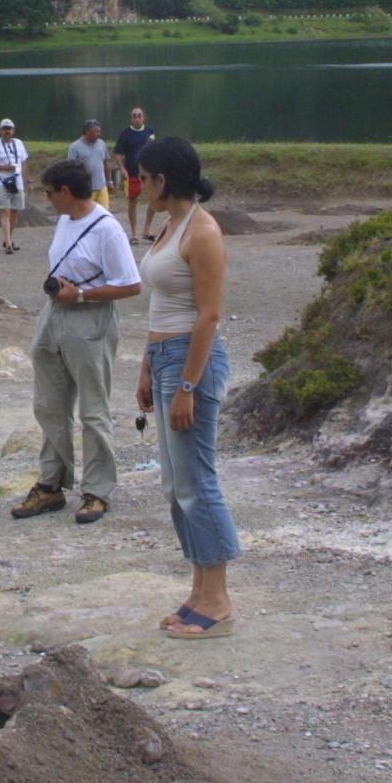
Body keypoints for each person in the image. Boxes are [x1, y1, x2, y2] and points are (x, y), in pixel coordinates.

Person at [133, 137, 238, 639]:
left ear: (163, 180)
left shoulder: (204, 232)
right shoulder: (171, 226)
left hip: (192, 363)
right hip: (167, 358)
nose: (137, 184)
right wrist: (147, 366)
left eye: (143, 176)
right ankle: (199, 589)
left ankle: (217, 601)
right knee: (177, 486)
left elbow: (209, 314)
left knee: (198, 482)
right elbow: (160, 306)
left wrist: (188, 386)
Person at [10, 159, 143, 525]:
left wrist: (81, 295)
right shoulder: (66, 220)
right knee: (50, 404)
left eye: (49, 192)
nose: (47, 199)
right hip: (54, 315)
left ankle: (98, 491)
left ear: (66, 192)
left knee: (92, 408)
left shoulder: (107, 229)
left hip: (90, 318)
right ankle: (51, 485)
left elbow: (131, 284)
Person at [0, 119, 31, 254]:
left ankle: (8, 238)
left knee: (15, 212)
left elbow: (24, 163)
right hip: (1, 182)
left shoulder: (19, 144)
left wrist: (28, 180)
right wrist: (5, 167)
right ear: (0, 131)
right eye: (4, 129)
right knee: (5, 211)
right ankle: (9, 244)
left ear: (13, 130)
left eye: (9, 129)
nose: (7, 131)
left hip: (17, 183)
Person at [114, 106, 160, 240]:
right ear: (131, 118)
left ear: (144, 117)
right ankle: (134, 233)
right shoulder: (125, 134)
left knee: (153, 199)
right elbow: (117, 153)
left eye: (139, 115)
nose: (137, 117)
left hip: (149, 172)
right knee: (132, 201)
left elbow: (155, 149)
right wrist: (122, 169)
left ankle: (147, 229)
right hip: (132, 172)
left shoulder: (150, 132)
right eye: (134, 115)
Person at [67, 118, 112, 213]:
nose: (99, 134)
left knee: (104, 213)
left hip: (101, 186)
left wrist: (110, 181)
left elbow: (106, 163)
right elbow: (70, 169)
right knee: (87, 213)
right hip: (86, 188)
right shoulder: (75, 147)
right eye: (96, 131)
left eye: (99, 131)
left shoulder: (102, 144)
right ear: (87, 131)